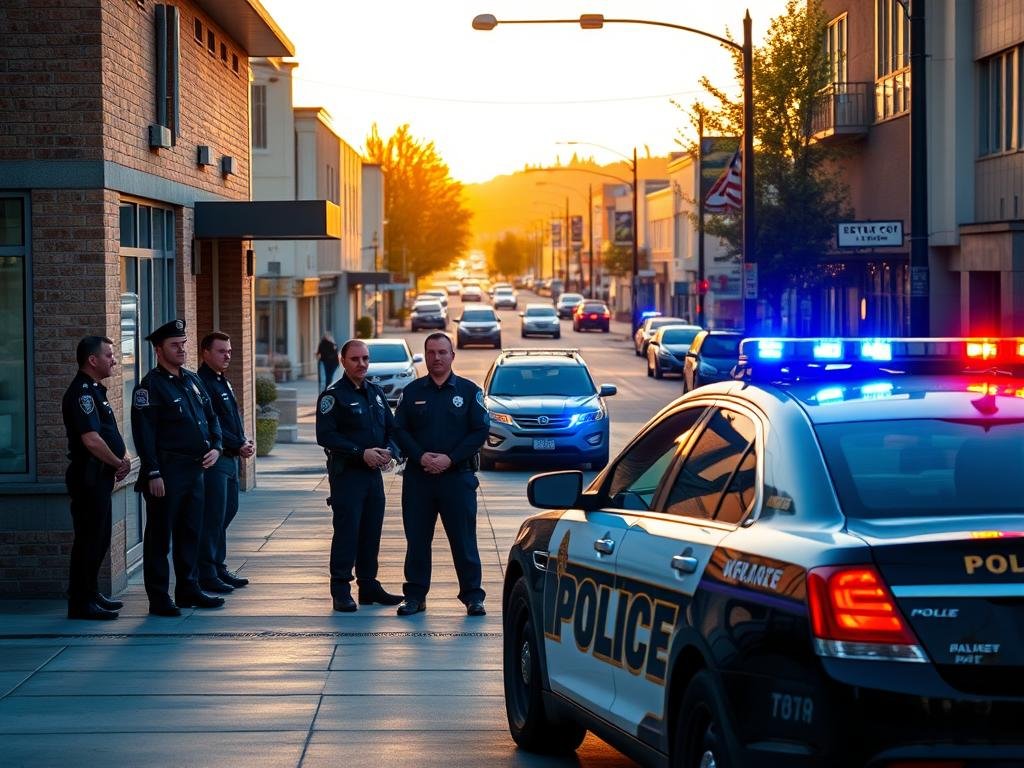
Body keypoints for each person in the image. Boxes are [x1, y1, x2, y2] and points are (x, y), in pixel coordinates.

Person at [131, 319, 225, 617]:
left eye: (184, 344)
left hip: (196, 469)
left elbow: (212, 418)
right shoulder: (149, 387)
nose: (182, 349)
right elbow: (144, 434)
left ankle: (188, 588)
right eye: (175, 345)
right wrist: (153, 471)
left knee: (190, 532)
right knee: (160, 537)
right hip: (168, 473)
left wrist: (216, 447)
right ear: (159, 349)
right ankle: (159, 597)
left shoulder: (193, 380)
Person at [392, 332, 488, 617]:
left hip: (457, 478)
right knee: (417, 540)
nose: (437, 358)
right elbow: (399, 430)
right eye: (431, 352)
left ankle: (473, 596)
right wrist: (420, 456)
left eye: (442, 352)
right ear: (426, 355)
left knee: (464, 539)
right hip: (418, 479)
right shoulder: (412, 392)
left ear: (452, 356)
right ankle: (414, 596)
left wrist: (450, 458)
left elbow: (480, 431)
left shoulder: (470, 392)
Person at [316, 339, 403, 612]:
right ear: (343, 361)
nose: (362, 364)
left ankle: (368, 586)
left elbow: (393, 429)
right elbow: (326, 435)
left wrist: (390, 451)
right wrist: (360, 452)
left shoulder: (375, 393)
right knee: (347, 534)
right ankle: (341, 589)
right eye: (355, 359)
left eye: (365, 358)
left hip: (373, 477)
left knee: (371, 532)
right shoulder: (333, 396)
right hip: (347, 477)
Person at [61, 336, 132, 620]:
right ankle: (80, 602)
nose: (115, 360)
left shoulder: (95, 391)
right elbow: (91, 440)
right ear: (93, 360)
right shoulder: (82, 394)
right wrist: (117, 462)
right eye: (110, 355)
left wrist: (118, 461)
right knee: (89, 540)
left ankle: (90, 594)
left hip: (99, 476)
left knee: (99, 539)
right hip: (88, 476)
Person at [196, 331, 255, 594]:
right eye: (221, 351)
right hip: (216, 459)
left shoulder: (223, 381)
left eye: (229, 351)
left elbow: (231, 417)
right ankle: (207, 573)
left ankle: (218, 566)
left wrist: (244, 439)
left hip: (231, 459)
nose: (227, 355)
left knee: (227, 511)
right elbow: (213, 425)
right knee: (213, 517)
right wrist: (236, 443)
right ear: (205, 353)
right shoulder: (202, 384)